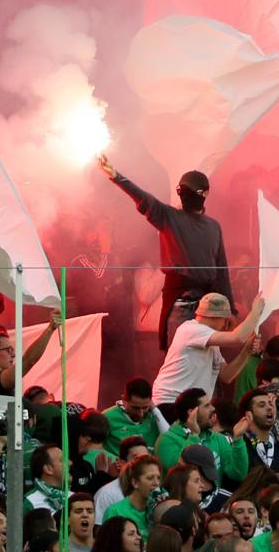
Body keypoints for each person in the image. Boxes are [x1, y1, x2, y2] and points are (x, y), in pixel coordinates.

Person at [99, 159, 231, 346]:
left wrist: (229, 310)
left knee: (206, 364)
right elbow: (144, 199)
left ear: (205, 193)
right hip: (180, 305)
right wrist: (116, 177)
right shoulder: (170, 217)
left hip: (208, 307)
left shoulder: (213, 227)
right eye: (183, 191)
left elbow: (222, 271)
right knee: (177, 362)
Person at [151, 296, 261, 409]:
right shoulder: (191, 329)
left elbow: (227, 375)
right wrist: (256, 311)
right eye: (225, 321)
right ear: (215, 317)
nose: (224, 326)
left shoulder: (211, 342)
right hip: (170, 403)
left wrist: (246, 351)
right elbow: (238, 338)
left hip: (187, 406)